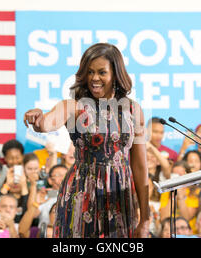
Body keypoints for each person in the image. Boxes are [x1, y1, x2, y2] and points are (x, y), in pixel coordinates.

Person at [23, 43, 149, 238]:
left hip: (121, 196)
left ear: (115, 74)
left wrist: (145, 218)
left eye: (101, 72)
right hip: (82, 193)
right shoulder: (74, 106)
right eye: (90, 72)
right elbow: (48, 122)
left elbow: (140, 167)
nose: (94, 78)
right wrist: (39, 119)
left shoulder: (132, 110)